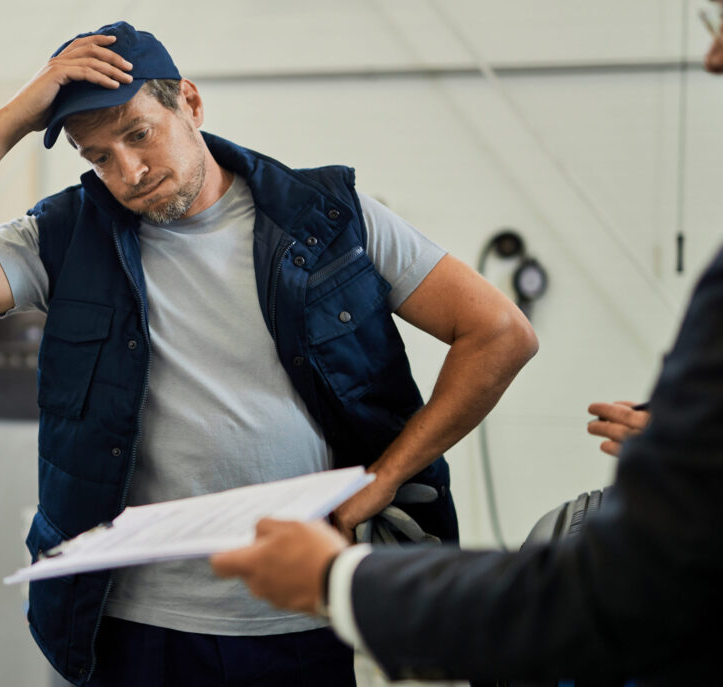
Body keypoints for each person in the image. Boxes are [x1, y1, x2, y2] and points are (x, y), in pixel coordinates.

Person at [0, 21, 538, 687]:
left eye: (137, 133)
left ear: (191, 102)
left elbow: (501, 334)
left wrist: (386, 477)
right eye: (99, 156)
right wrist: (16, 113)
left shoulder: (329, 218)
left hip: (297, 611)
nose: (127, 170)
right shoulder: (64, 241)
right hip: (130, 628)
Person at [212, 19, 723, 685]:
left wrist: (343, 579)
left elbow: (605, 592)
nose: (712, 57)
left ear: (191, 103)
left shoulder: (337, 214)